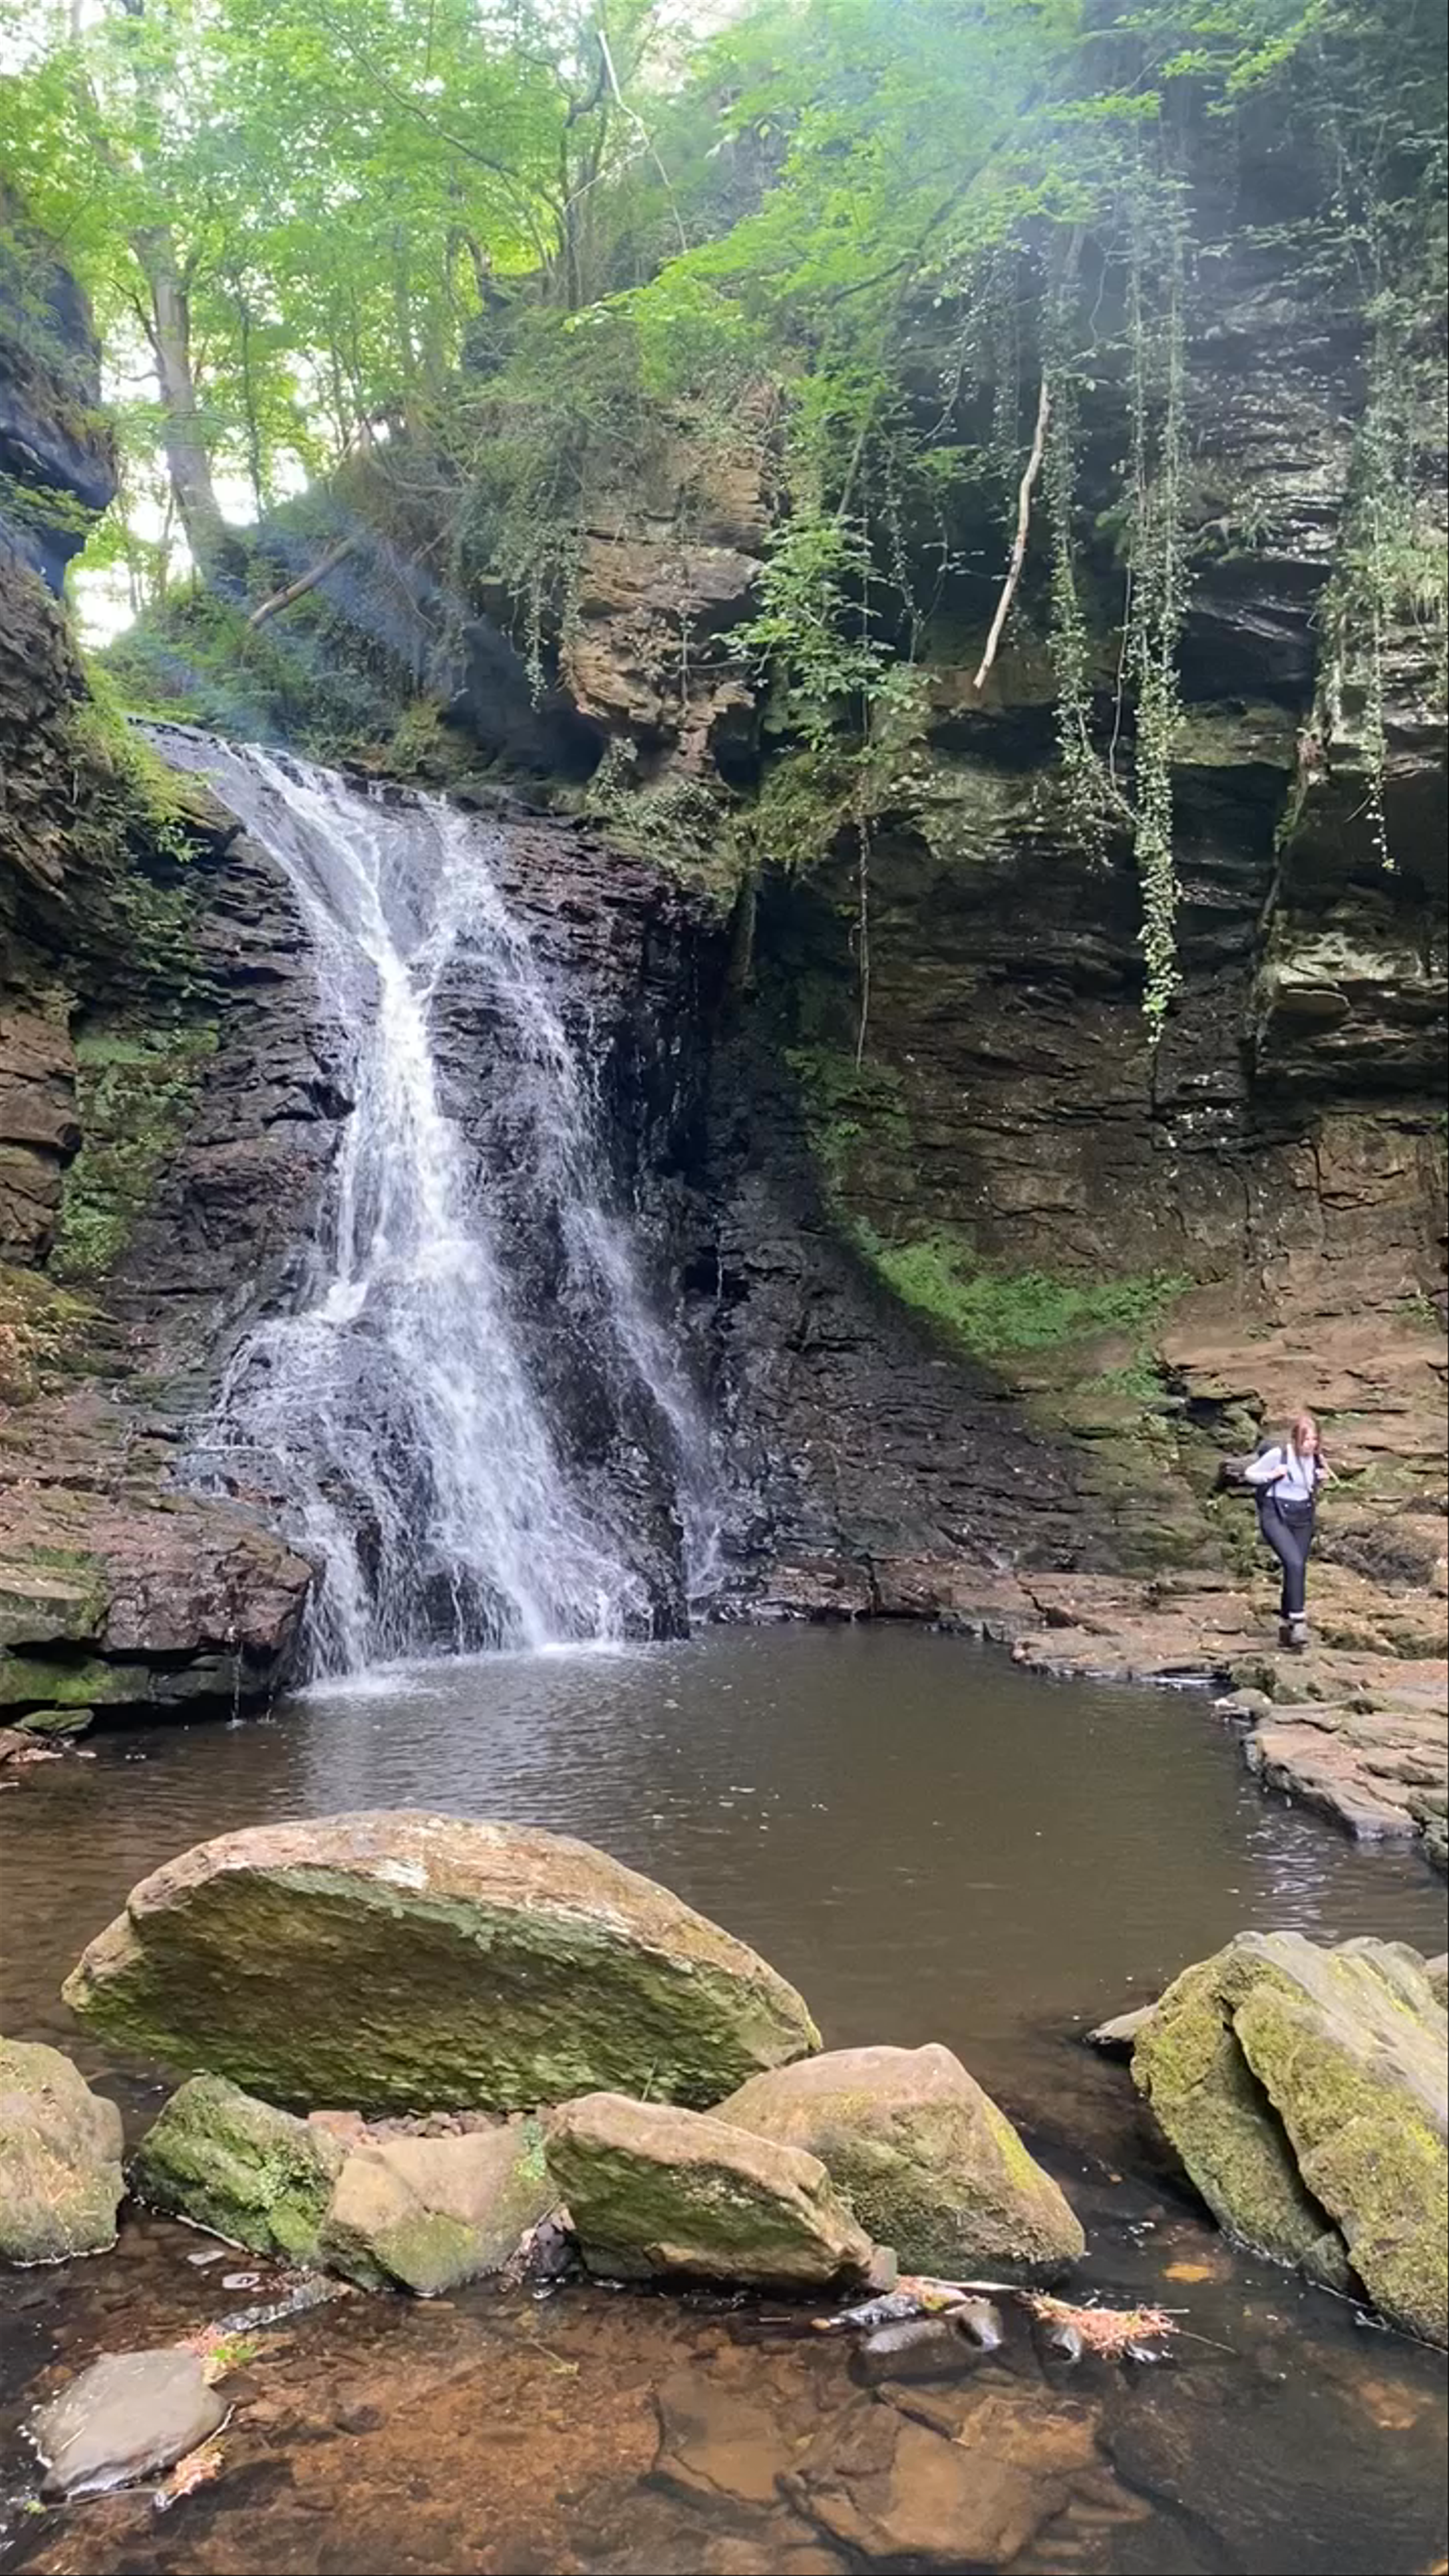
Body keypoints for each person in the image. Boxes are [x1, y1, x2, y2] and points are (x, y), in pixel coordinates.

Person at [1242, 1411, 1330, 1648]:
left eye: (1314, 1440)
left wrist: (1320, 1479)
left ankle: (1285, 1625)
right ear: (1296, 1440)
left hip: (1303, 1516)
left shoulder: (1317, 1458)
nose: (1310, 1445)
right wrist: (1272, 1475)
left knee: (1297, 1569)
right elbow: (1250, 1474)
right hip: (1276, 1513)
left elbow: (1310, 1486)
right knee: (1294, 1563)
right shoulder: (1279, 1455)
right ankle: (1299, 1622)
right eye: (1306, 1441)